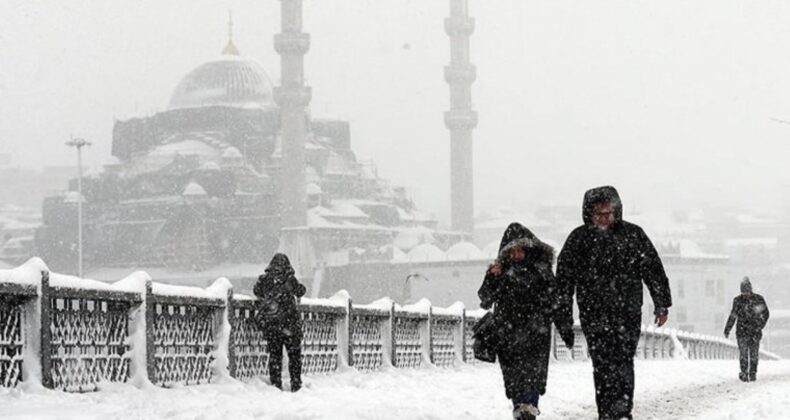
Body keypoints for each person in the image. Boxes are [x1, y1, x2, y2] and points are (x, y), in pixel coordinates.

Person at [555, 186, 672, 420]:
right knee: (602, 363)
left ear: (616, 212)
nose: (604, 219)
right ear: (589, 214)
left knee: (623, 360)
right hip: (593, 313)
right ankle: (607, 411)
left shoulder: (633, 235)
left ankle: (621, 410)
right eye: (598, 214)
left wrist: (661, 303)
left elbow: (653, 270)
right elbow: (563, 283)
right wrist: (563, 318)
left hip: (627, 312)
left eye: (608, 213)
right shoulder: (578, 240)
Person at [478, 222, 574, 420]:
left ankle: (528, 408)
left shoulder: (542, 271)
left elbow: (556, 302)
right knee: (513, 377)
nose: (516, 256)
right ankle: (520, 408)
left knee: (533, 376)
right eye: (511, 252)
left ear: (529, 249)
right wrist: (491, 277)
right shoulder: (501, 272)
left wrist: (565, 329)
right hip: (508, 334)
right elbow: (485, 300)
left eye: (519, 250)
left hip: (535, 333)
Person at [253, 253, 307, 392]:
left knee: (275, 356)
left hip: (273, 326)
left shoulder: (265, 280)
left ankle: (276, 384)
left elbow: (256, 291)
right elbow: (301, 291)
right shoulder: (289, 280)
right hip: (290, 324)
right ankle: (296, 384)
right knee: (294, 356)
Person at [724, 276, 770, 382]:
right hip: (742, 332)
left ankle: (752, 372)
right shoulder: (737, 301)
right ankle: (744, 372)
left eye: (747, 292)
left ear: (750, 290)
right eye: (743, 292)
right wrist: (728, 329)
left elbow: (766, 313)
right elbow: (733, 315)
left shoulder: (758, 299)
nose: (745, 294)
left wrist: (760, 325)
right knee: (743, 354)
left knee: (753, 354)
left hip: (755, 331)